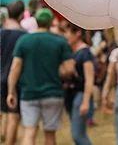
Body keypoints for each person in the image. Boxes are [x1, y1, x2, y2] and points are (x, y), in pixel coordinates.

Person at [7, 8, 75, 145]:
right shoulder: (59, 41)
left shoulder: (24, 40)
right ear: (51, 22)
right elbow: (69, 69)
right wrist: (55, 71)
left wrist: (10, 91)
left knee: (29, 133)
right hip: (53, 93)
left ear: (36, 22)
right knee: (50, 135)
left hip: (29, 93)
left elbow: (15, 68)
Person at [64, 23, 95, 145]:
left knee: (78, 135)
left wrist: (86, 101)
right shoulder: (72, 52)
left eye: (68, 33)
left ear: (76, 34)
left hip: (80, 95)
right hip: (72, 95)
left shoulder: (84, 53)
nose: (66, 36)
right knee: (77, 134)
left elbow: (89, 79)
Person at [0, 1, 26, 145]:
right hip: (15, 80)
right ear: (21, 15)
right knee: (13, 117)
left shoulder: (1, 32)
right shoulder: (24, 35)